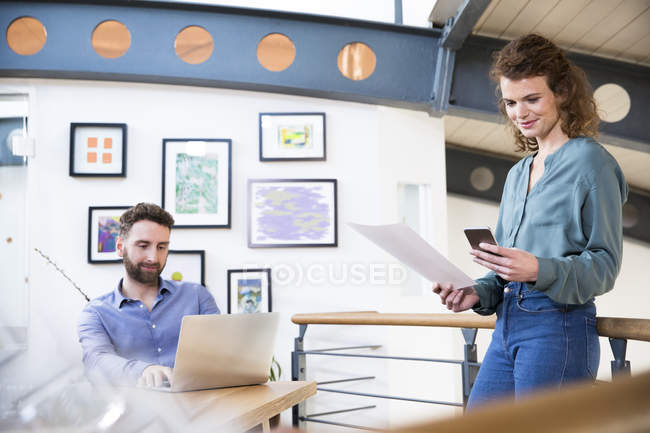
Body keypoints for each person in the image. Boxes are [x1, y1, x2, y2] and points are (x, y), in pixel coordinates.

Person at [432, 34, 627, 408]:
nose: (520, 112)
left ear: (563, 93)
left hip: (558, 327)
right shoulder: (519, 172)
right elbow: (504, 269)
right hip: (506, 325)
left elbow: (604, 266)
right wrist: (477, 291)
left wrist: (539, 268)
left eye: (532, 99)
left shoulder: (592, 163)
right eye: (510, 102)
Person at [78, 203, 220, 387]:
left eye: (161, 247)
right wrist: (144, 370)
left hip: (203, 407)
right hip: (137, 412)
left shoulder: (197, 296)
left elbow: (220, 353)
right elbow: (96, 361)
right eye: (143, 246)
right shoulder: (96, 313)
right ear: (120, 247)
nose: (153, 257)